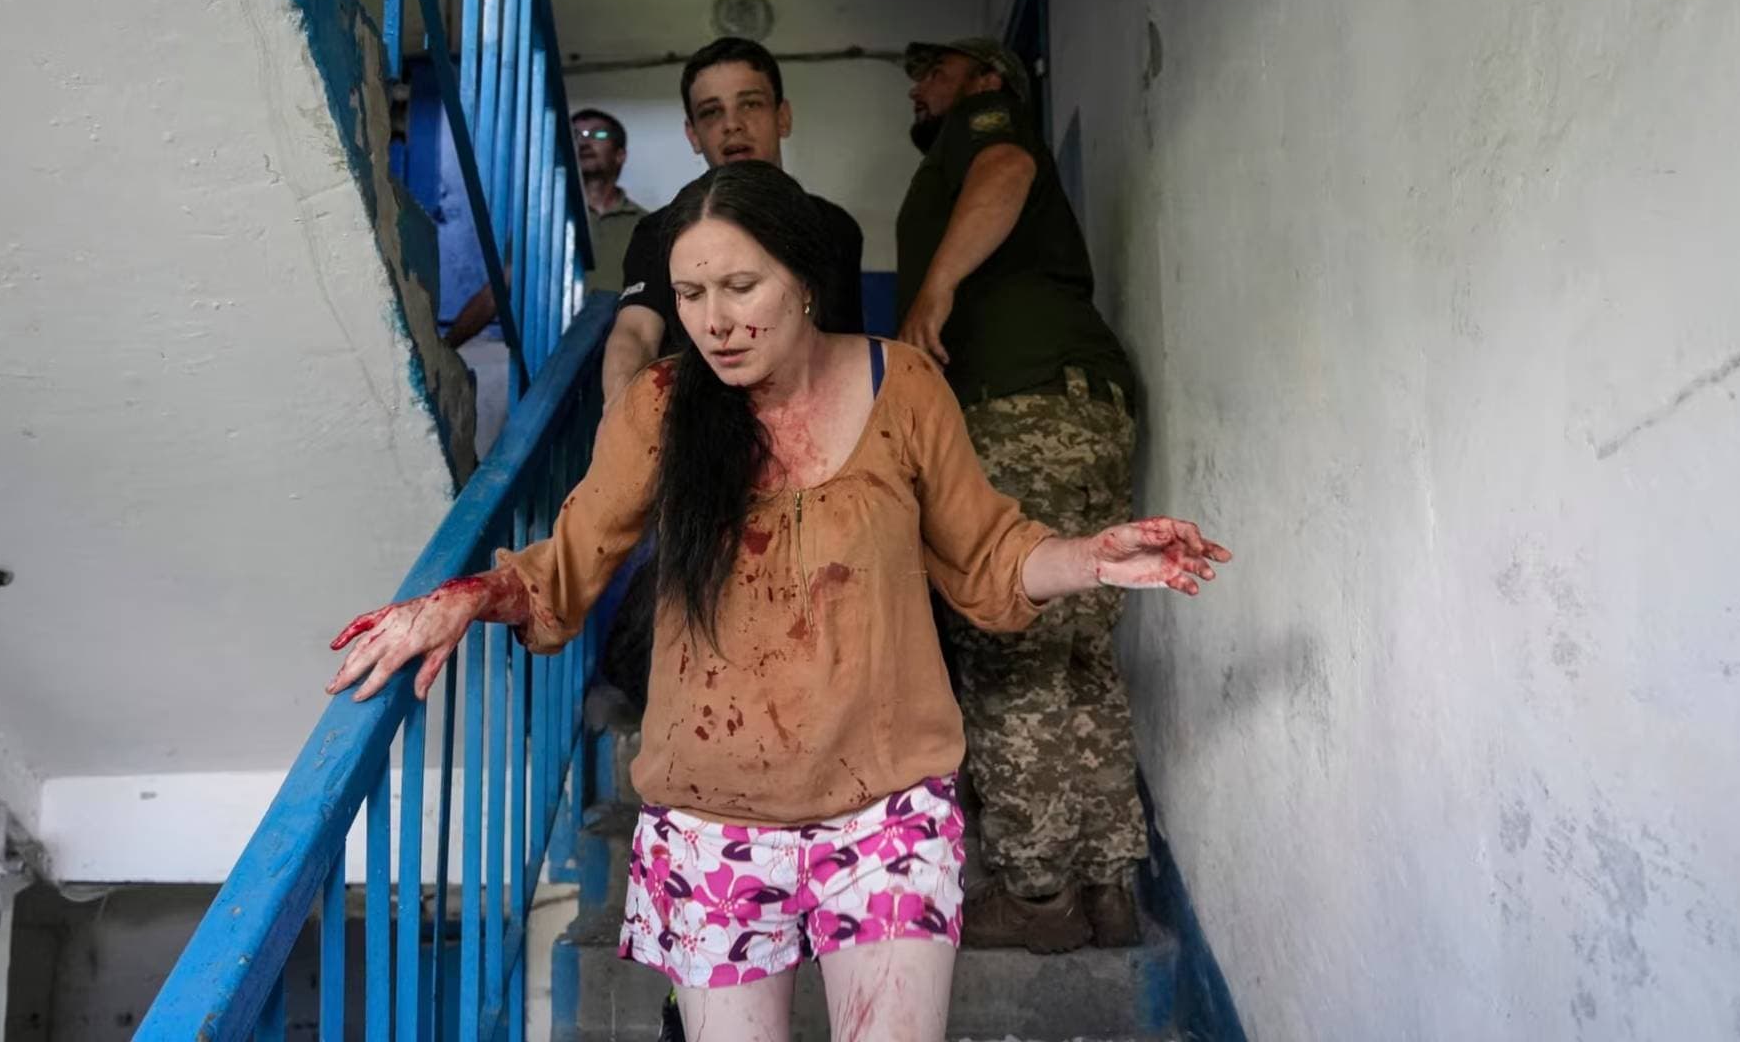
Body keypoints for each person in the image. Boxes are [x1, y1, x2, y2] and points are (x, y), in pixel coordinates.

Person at [326, 162, 1229, 1038]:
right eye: (690, 295)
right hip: (710, 817)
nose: (714, 322)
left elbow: (990, 555)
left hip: (887, 808)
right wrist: (464, 596)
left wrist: (1090, 558)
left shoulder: (903, 387)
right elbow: (563, 567)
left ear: (802, 280)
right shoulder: (662, 407)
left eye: (740, 287)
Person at [894, 36, 1150, 952]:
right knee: (1078, 647)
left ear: (988, 77)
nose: (918, 86)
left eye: (933, 67)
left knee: (1007, 632)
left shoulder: (986, 122)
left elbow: (1004, 168)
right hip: (1082, 401)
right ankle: (1107, 888)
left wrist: (934, 291)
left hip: (1019, 404)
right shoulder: (967, 141)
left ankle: (1038, 893)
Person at [600, 36, 864, 404]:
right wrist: (619, 420)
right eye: (711, 112)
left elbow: (845, 347)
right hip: (697, 423)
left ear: (783, 117)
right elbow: (635, 335)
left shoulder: (834, 227)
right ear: (693, 134)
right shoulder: (659, 231)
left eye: (750, 104)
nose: (732, 125)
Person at [443, 108, 646, 458]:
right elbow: (496, 292)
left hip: (621, 370)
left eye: (597, 135)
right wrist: (445, 347)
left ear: (620, 154)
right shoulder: (540, 223)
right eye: (576, 135)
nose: (583, 142)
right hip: (548, 369)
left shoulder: (649, 225)